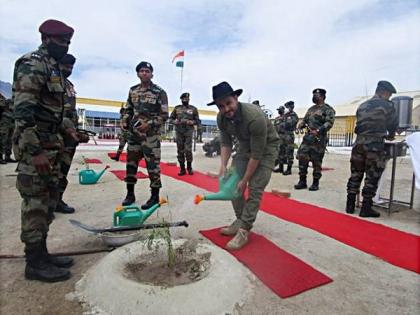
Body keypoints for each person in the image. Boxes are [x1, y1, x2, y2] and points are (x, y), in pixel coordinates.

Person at [12, 19, 75, 282]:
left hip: (52, 146)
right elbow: (24, 111)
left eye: (68, 42)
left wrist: (67, 130)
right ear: (46, 39)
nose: (66, 46)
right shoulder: (33, 63)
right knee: (35, 204)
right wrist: (34, 150)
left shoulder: (54, 68)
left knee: (48, 202)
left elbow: (52, 111)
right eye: (62, 42)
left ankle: (43, 254)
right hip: (37, 148)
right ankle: (34, 262)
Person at [208, 81, 279, 250]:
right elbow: (225, 143)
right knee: (233, 185)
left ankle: (244, 230)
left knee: (254, 188)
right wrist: (223, 166)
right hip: (244, 147)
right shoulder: (222, 118)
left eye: (228, 103)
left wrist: (245, 179)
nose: (226, 109)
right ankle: (240, 219)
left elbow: (257, 154)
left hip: (266, 149)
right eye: (221, 106)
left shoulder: (254, 117)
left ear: (236, 98)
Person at [346, 81, 398, 217]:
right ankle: (366, 208)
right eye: (389, 94)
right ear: (384, 92)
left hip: (358, 144)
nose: (389, 97)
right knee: (372, 176)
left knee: (356, 173)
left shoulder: (362, 105)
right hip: (374, 146)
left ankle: (350, 205)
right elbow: (393, 124)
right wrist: (391, 135)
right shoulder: (387, 105)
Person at [121, 61, 168, 209]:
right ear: (138, 74)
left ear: (152, 74)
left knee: (153, 167)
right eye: (142, 71)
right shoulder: (133, 90)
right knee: (131, 165)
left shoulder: (159, 92)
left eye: (147, 71)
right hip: (134, 135)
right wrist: (124, 120)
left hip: (150, 137)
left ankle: (154, 197)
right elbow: (128, 109)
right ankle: (130, 194)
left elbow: (164, 115)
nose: (144, 73)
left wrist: (150, 124)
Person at [56, 53, 89, 214]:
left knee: (63, 169)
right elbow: (53, 112)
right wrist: (68, 128)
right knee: (52, 170)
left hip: (69, 138)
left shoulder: (69, 85)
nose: (68, 69)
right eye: (65, 66)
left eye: (71, 67)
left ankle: (57, 200)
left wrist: (77, 132)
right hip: (55, 136)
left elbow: (70, 112)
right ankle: (47, 203)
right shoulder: (51, 81)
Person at [295, 89, 335, 191]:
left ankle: (315, 183)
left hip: (318, 140)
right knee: (302, 158)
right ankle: (302, 181)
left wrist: (318, 130)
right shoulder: (311, 109)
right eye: (313, 94)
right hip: (307, 139)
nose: (314, 96)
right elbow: (305, 120)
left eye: (316, 95)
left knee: (316, 161)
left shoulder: (328, 109)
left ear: (322, 96)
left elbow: (329, 123)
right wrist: (301, 124)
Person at [169, 92, 200, 175]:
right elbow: (170, 119)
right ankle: (182, 169)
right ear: (181, 99)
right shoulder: (177, 108)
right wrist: (174, 121)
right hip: (179, 131)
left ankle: (189, 168)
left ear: (189, 99)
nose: (185, 100)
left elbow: (198, 121)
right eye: (183, 99)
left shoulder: (193, 109)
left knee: (188, 150)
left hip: (188, 131)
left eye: (186, 99)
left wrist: (192, 122)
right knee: (180, 150)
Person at [0, 97, 17, 164]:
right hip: (5, 121)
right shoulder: (5, 100)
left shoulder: (15, 99)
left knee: (9, 140)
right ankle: (0, 157)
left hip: (12, 120)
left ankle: (8, 156)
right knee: (2, 139)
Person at [273, 105, 286, 173]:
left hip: (284, 137)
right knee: (278, 152)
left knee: (283, 152)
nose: (278, 111)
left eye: (280, 110)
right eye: (278, 110)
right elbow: (273, 128)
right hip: (277, 137)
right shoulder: (276, 118)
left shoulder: (286, 118)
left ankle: (283, 168)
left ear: (283, 110)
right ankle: (280, 168)